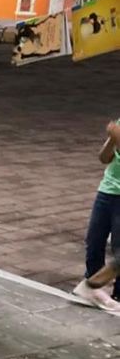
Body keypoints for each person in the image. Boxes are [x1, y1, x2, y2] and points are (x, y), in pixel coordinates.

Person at [72, 120, 120, 313]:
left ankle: (115, 294)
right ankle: (93, 287)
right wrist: (112, 139)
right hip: (106, 190)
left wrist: (116, 135)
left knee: (119, 248)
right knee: (94, 241)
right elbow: (104, 157)